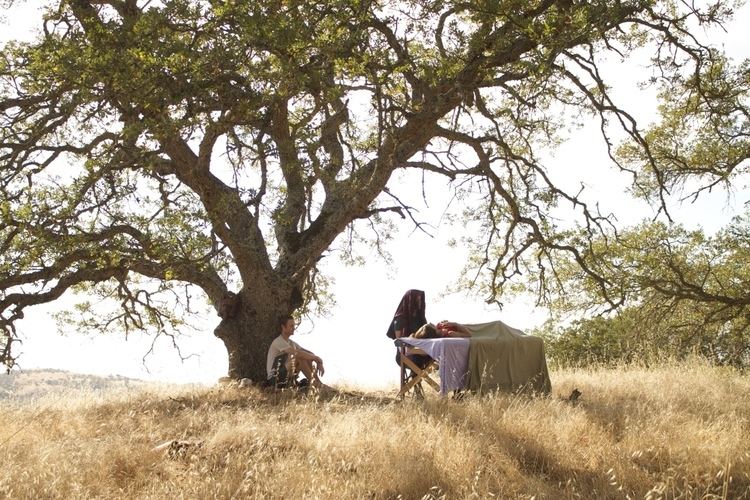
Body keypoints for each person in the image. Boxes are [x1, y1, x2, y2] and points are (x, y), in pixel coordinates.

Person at [266, 315, 325, 390]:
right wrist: (316, 358)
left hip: (288, 377)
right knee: (299, 357)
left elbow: (308, 353)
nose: (294, 328)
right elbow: (297, 354)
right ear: (283, 327)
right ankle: (315, 384)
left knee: (306, 356)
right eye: (291, 326)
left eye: (294, 325)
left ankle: (318, 383)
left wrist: (319, 362)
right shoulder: (278, 341)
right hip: (275, 379)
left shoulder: (292, 343)